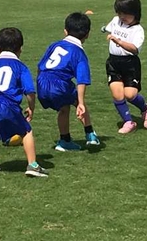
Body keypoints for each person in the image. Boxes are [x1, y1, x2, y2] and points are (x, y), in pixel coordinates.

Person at [0, 27, 48, 177]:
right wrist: (31, 108)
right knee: (26, 130)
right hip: (5, 105)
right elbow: (30, 92)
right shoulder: (20, 67)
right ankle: (33, 165)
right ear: (20, 48)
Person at [37, 12, 100, 151]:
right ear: (87, 34)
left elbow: (40, 66)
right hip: (59, 84)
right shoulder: (79, 54)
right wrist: (81, 102)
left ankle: (65, 140)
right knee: (77, 103)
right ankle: (90, 135)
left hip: (42, 80)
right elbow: (82, 80)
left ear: (65, 31)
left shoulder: (54, 45)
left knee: (64, 108)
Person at [104, 0, 147, 133]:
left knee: (130, 95)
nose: (121, 16)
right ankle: (128, 122)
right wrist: (104, 29)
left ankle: (146, 109)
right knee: (117, 94)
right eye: (119, 13)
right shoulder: (116, 20)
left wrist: (119, 41)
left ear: (135, 13)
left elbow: (135, 49)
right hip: (113, 62)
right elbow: (108, 28)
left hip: (130, 64)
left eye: (125, 14)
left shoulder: (138, 30)